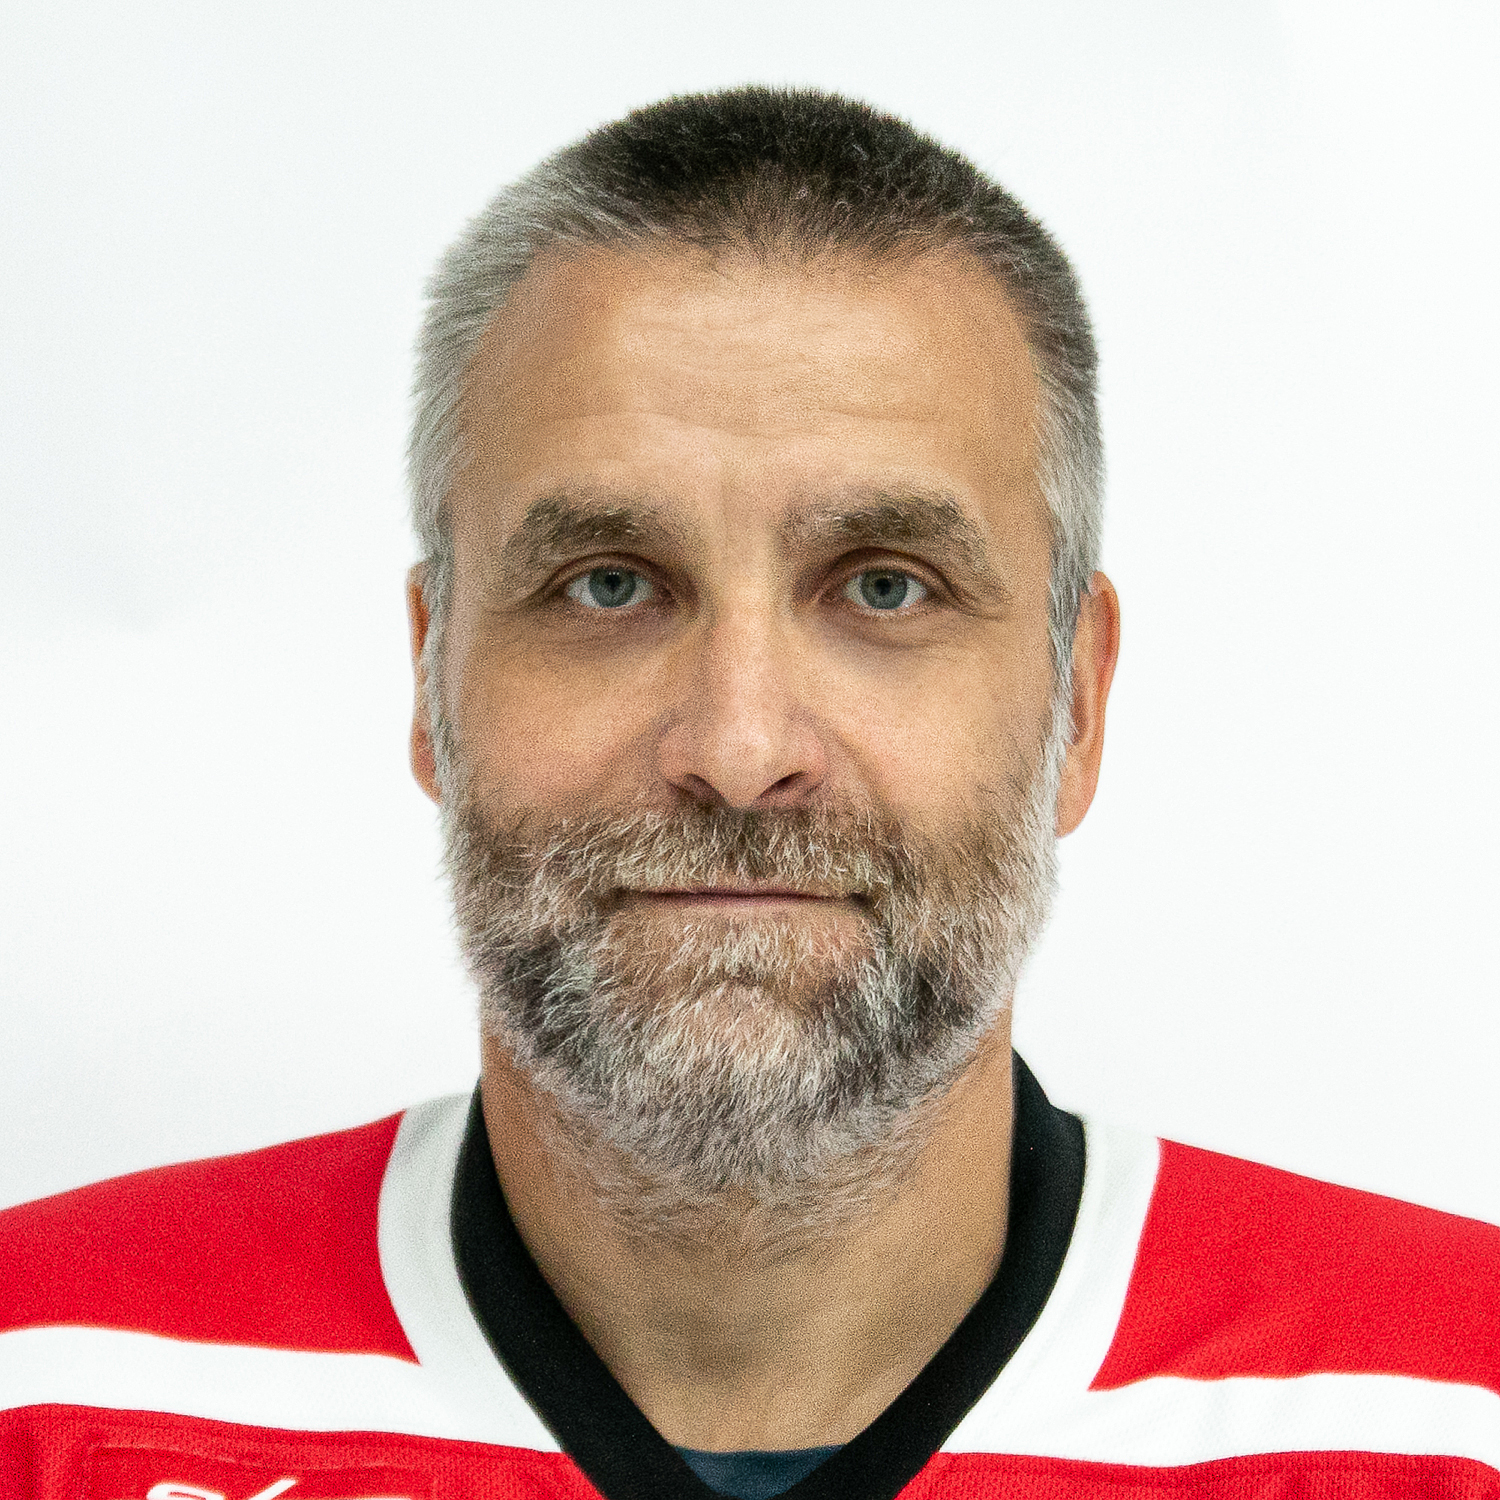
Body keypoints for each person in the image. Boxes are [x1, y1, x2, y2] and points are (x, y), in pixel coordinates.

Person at [0, 86, 1496, 1500]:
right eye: (607, 583)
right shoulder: (45, 1385)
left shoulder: (1450, 1413)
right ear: (431, 682)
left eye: (886, 585)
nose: (736, 743)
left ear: (1078, 705)